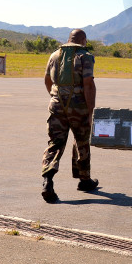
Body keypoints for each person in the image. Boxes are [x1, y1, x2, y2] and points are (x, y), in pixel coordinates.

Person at [40, 29, 98, 203]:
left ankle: (47, 180)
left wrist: (55, 96)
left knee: (55, 142)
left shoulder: (55, 55)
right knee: (82, 140)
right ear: (83, 40)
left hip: (56, 105)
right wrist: (90, 110)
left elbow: (47, 79)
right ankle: (84, 180)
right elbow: (88, 84)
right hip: (78, 106)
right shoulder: (85, 56)